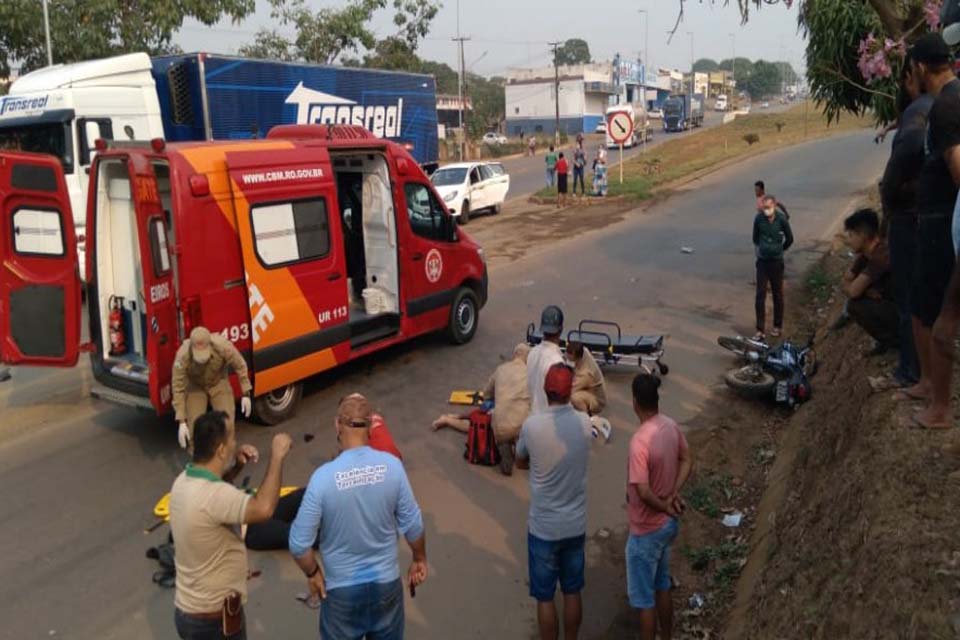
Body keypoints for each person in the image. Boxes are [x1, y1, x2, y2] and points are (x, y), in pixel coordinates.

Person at [289, 394, 427, 639]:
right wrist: (419, 558)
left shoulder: (322, 478)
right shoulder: (392, 467)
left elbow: (299, 543)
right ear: (372, 426)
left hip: (341, 592)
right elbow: (413, 524)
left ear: (337, 425)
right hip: (386, 586)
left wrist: (314, 574)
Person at [169, 411, 293, 640]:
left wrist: (235, 467)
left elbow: (213, 499)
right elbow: (264, 508)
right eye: (232, 439)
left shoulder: (183, 481)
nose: (235, 442)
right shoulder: (216, 496)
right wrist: (277, 456)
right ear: (221, 450)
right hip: (215, 621)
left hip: (188, 612)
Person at [899, 33, 960, 430]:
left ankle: (940, 407)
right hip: (939, 220)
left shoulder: (946, 107)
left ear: (921, 67)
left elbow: (957, 168)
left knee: (942, 317)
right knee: (929, 308)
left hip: (943, 222)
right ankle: (927, 386)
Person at [245, 401, 403, 551]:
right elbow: (411, 520)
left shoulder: (327, 475)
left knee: (296, 520)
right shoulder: (389, 462)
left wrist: (312, 572)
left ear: (338, 425)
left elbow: (298, 539)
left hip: (253, 523)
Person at [515, 363, 592, 640]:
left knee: (545, 597)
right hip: (575, 525)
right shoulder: (584, 423)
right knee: (572, 590)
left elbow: (519, 460)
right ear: (569, 391)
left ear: (546, 391)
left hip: (543, 529)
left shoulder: (532, 426)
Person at [875, 56, 932, 389]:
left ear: (915, 73)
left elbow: (907, 151)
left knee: (909, 297)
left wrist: (888, 193)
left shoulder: (919, 109)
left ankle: (910, 371)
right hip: (931, 214)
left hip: (910, 217)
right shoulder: (944, 102)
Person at [625, 374, 691, 640]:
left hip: (646, 531)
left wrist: (663, 505)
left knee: (644, 601)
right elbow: (687, 459)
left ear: (634, 403)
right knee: (662, 584)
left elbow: (641, 491)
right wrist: (674, 490)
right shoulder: (670, 425)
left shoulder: (639, 442)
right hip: (667, 527)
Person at [432, 343, 532, 475]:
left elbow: (486, 395)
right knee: (526, 423)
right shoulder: (531, 374)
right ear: (528, 359)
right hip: (522, 426)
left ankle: (448, 420)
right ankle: (516, 448)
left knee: (479, 425)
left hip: (499, 425)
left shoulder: (500, 369)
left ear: (514, 355)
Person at [173, 326, 252, 450]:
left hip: (218, 382)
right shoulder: (182, 356)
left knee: (227, 423)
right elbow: (178, 387)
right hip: (196, 386)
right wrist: (181, 421)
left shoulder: (223, 346)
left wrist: (246, 393)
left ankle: (226, 459)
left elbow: (240, 365)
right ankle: (197, 463)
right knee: (194, 427)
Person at [839, 209, 899, 353]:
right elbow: (846, 280)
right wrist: (866, 291)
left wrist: (861, 291)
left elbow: (852, 291)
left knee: (854, 305)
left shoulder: (881, 254)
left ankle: (896, 342)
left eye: (851, 235)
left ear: (863, 235)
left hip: (903, 310)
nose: (848, 240)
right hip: (890, 303)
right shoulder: (865, 254)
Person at [752, 194, 794, 340]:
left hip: (776, 262)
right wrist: (761, 251)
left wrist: (780, 250)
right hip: (762, 262)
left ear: (774, 206)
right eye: (764, 208)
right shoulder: (758, 219)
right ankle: (760, 329)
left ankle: (777, 326)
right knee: (760, 295)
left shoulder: (782, 219)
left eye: (768, 208)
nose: (766, 211)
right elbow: (755, 238)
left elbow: (790, 239)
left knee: (777, 295)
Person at [527, 305, 566, 415]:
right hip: (548, 421)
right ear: (561, 330)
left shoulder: (532, 352)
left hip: (532, 418)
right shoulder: (557, 362)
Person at [565, 341, 606, 416]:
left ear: (578, 358)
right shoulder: (583, 351)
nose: (568, 361)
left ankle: (586, 418)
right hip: (586, 388)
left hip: (596, 398)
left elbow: (570, 390)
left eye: (571, 360)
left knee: (574, 397)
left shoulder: (586, 373)